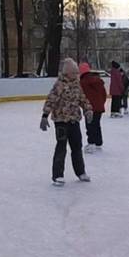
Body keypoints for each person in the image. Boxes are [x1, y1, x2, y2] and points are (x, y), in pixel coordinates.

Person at [40, 58, 93, 186]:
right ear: (67, 73)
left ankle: (80, 172)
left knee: (77, 147)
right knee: (61, 147)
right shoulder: (59, 85)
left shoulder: (77, 85)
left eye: (77, 73)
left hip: (74, 120)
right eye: (74, 72)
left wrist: (88, 110)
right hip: (61, 121)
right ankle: (58, 175)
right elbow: (51, 100)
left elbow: (83, 99)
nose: (76, 75)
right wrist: (44, 116)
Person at [79, 62, 106, 153]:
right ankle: (98, 143)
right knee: (97, 124)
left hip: (89, 107)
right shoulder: (98, 80)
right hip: (99, 107)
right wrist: (101, 103)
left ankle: (91, 143)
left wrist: (81, 105)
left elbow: (81, 95)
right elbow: (104, 94)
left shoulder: (83, 82)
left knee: (90, 125)